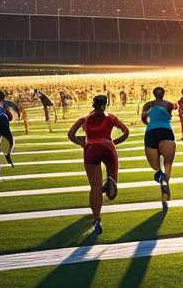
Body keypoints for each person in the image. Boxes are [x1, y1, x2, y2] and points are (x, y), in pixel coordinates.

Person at [67, 95, 129, 234]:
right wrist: (114, 143)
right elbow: (126, 132)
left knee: (94, 188)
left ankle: (97, 218)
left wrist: (82, 143)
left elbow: (70, 134)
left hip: (91, 149)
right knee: (112, 180)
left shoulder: (85, 119)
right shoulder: (111, 117)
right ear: (105, 105)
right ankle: (111, 181)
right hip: (108, 148)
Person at [141, 86, 176, 206]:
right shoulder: (169, 104)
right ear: (163, 94)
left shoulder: (147, 105)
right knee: (168, 162)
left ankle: (160, 176)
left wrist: (150, 121)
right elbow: (168, 116)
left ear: (153, 94)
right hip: (166, 131)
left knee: (156, 166)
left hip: (151, 132)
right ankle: (166, 183)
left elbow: (144, 119)